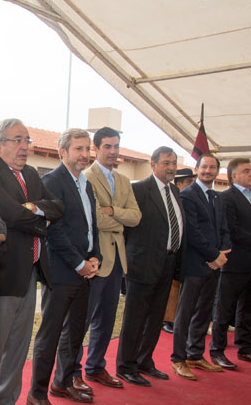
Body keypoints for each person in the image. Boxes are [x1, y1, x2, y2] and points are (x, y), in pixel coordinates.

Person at [0, 118, 64, 405]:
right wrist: (40, 218)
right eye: (18, 140)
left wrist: (32, 208)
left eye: (28, 140)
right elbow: (7, 213)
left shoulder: (32, 174)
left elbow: (58, 207)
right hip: (4, 271)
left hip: (31, 271)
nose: (25, 147)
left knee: (19, 345)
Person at [27, 128, 100, 405]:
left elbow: (91, 226)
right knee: (50, 334)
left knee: (75, 333)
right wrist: (79, 263)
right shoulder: (52, 182)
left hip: (85, 270)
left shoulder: (86, 183)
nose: (84, 154)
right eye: (78, 149)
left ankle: (63, 382)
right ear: (63, 152)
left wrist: (95, 257)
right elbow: (54, 231)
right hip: (61, 271)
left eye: (87, 149)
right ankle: (37, 394)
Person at [74, 126, 141, 390]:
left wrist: (112, 211)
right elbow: (95, 219)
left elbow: (136, 217)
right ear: (96, 148)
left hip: (117, 261)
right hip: (95, 259)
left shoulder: (123, 180)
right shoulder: (86, 177)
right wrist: (119, 219)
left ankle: (96, 367)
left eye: (116, 146)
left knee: (107, 318)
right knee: (83, 319)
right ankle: (73, 371)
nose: (113, 151)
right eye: (107, 147)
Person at [116, 146, 183, 387]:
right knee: (135, 318)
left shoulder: (174, 191)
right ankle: (126, 366)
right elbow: (126, 229)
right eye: (166, 163)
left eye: (173, 163)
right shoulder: (139, 190)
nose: (171, 168)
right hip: (142, 264)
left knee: (155, 317)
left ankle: (144, 361)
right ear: (153, 165)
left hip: (167, 263)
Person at [209, 158, 251, 369]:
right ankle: (217, 350)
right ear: (234, 176)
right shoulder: (226, 198)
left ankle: (245, 348)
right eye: (246, 171)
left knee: (248, 309)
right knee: (224, 309)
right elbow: (233, 229)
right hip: (236, 263)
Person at [170, 154, 230, 380]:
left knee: (204, 312)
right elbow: (192, 231)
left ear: (217, 171)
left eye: (212, 167)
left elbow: (224, 228)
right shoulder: (188, 195)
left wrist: (222, 253)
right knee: (185, 313)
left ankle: (195, 354)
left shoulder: (217, 197)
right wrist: (213, 255)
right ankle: (178, 359)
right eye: (204, 167)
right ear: (197, 168)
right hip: (195, 264)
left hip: (215, 265)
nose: (208, 171)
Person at [162, 167, 197, 334]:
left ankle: (174, 317)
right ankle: (168, 319)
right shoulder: (174, 199)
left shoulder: (185, 199)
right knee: (172, 287)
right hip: (168, 251)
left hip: (183, 250)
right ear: (178, 184)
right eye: (188, 182)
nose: (191, 185)